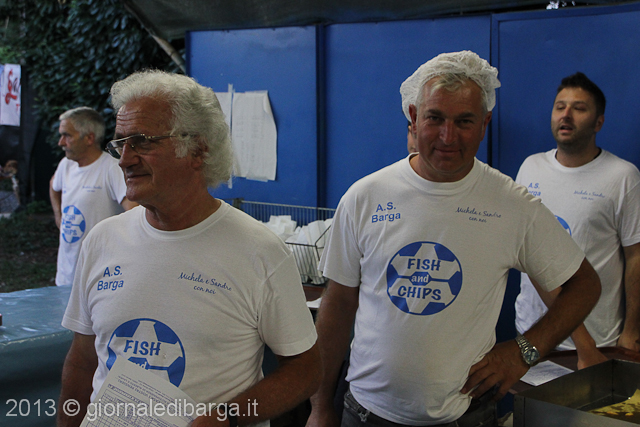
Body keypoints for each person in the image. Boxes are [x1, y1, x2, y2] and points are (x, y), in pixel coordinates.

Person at [306, 51, 601, 427]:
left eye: (464, 121)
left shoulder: (511, 205)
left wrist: (524, 351)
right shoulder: (365, 197)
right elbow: (338, 304)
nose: (448, 137)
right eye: (435, 118)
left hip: (466, 417)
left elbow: (584, 285)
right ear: (414, 116)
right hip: (365, 414)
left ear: (485, 123)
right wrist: (320, 406)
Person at [58, 71, 321, 427]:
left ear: (198, 150)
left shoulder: (260, 250)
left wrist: (228, 418)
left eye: (142, 142)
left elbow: (305, 369)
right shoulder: (102, 240)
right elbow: (82, 360)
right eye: (120, 143)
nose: (124, 159)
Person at [515, 72, 640, 364]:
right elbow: (524, 251)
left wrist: (632, 330)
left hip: (599, 340)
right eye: (560, 107)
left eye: (579, 108)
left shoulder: (623, 177)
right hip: (531, 334)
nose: (566, 115)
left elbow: (636, 257)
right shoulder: (531, 168)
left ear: (598, 122)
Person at [49, 107, 137, 286]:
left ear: (89, 138)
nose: (61, 142)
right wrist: (58, 215)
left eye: (67, 135)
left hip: (100, 279)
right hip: (65, 278)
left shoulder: (111, 169)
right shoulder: (66, 165)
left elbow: (136, 213)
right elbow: (53, 185)